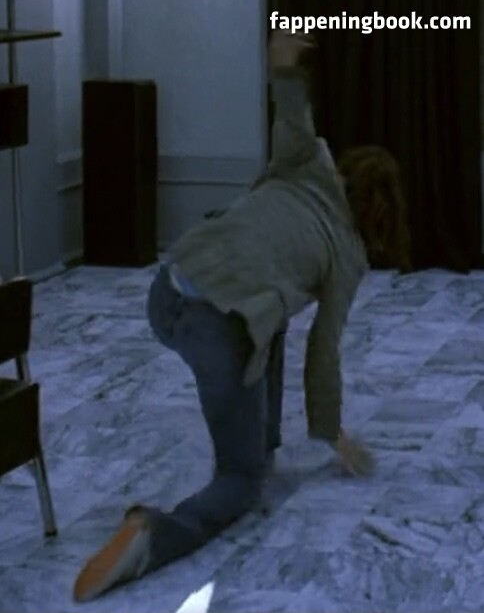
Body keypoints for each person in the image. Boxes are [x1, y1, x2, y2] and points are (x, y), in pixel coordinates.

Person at [73, 30, 399, 603]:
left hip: (167, 290)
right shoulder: (348, 253)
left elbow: (293, 109)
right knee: (240, 481)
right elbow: (324, 350)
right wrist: (331, 432)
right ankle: (153, 534)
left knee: (270, 318)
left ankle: (260, 437)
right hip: (218, 326)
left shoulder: (307, 162)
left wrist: (286, 62)